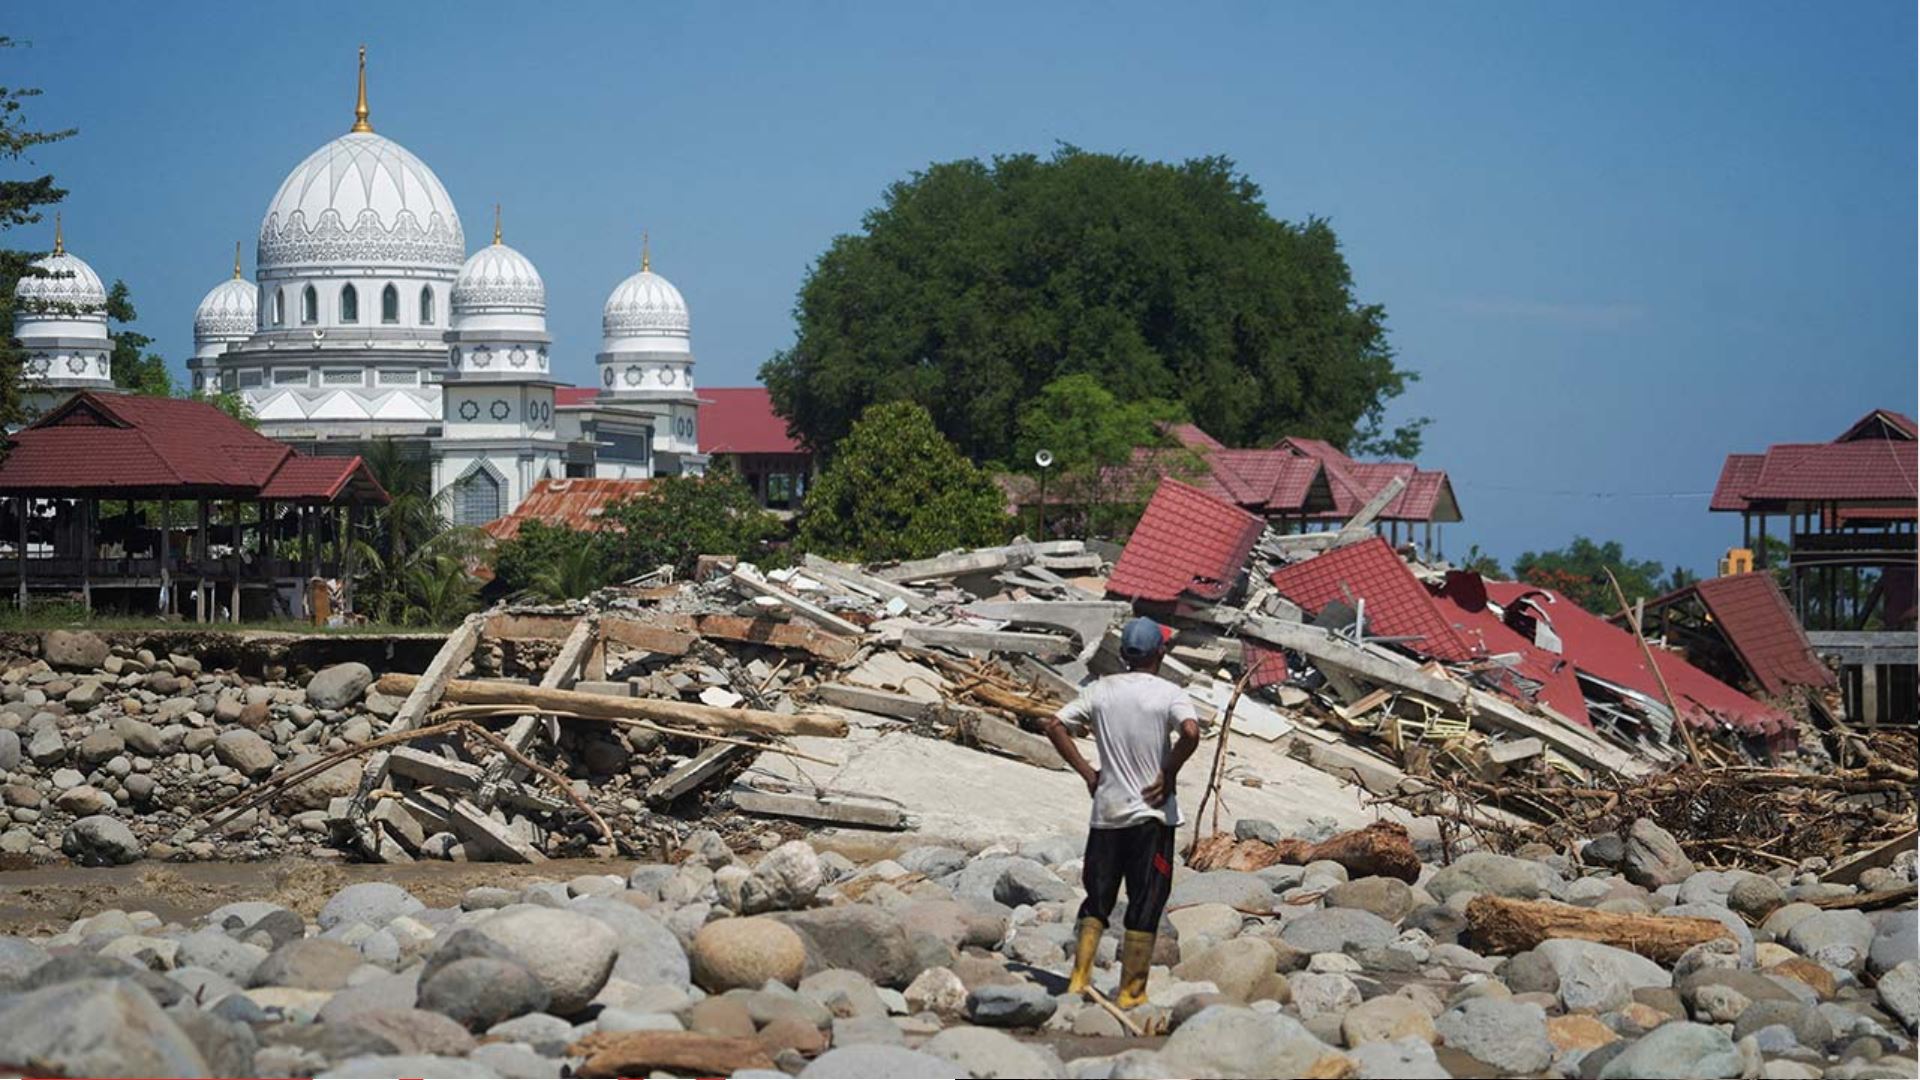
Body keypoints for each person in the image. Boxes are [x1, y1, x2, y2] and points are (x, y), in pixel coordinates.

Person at [1041, 616, 1201, 1008]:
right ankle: (1131, 993)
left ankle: (1079, 980)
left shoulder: (1100, 690)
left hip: (1107, 813)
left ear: (1126, 654)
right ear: (1159, 653)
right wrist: (1169, 770)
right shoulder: (1169, 693)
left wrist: (1087, 773)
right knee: (1146, 899)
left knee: (1098, 899)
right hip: (1152, 815)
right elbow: (1192, 733)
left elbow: (1054, 725)